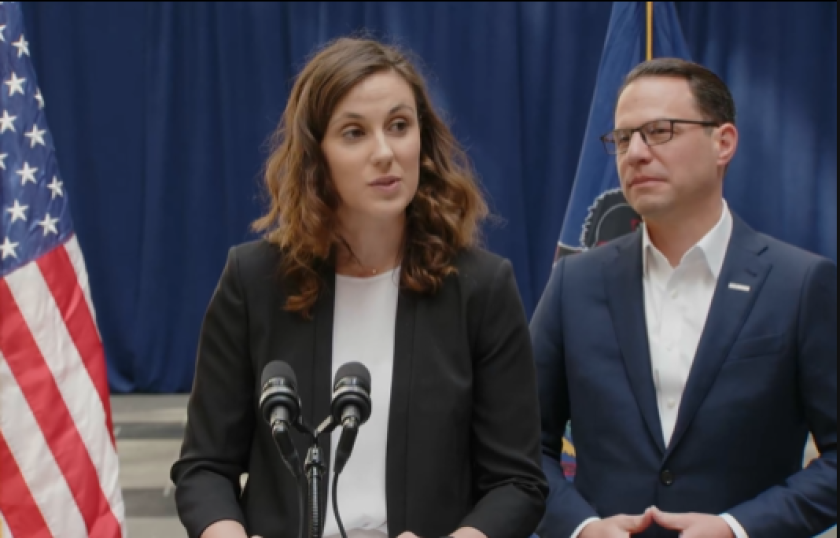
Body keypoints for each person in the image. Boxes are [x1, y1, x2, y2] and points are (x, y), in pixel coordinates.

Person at [170, 36, 548, 538]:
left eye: (399, 126)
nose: (385, 153)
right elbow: (204, 469)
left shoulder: (480, 287)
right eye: (354, 132)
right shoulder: (253, 281)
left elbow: (517, 482)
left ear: (423, 140)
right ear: (316, 156)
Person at [531, 57, 837, 538]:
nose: (635, 153)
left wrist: (739, 528)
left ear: (724, 143)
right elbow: (521, 447)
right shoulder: (575, 284)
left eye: (659, 131)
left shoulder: (799, 284)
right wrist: (582, 527)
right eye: (623, 138)